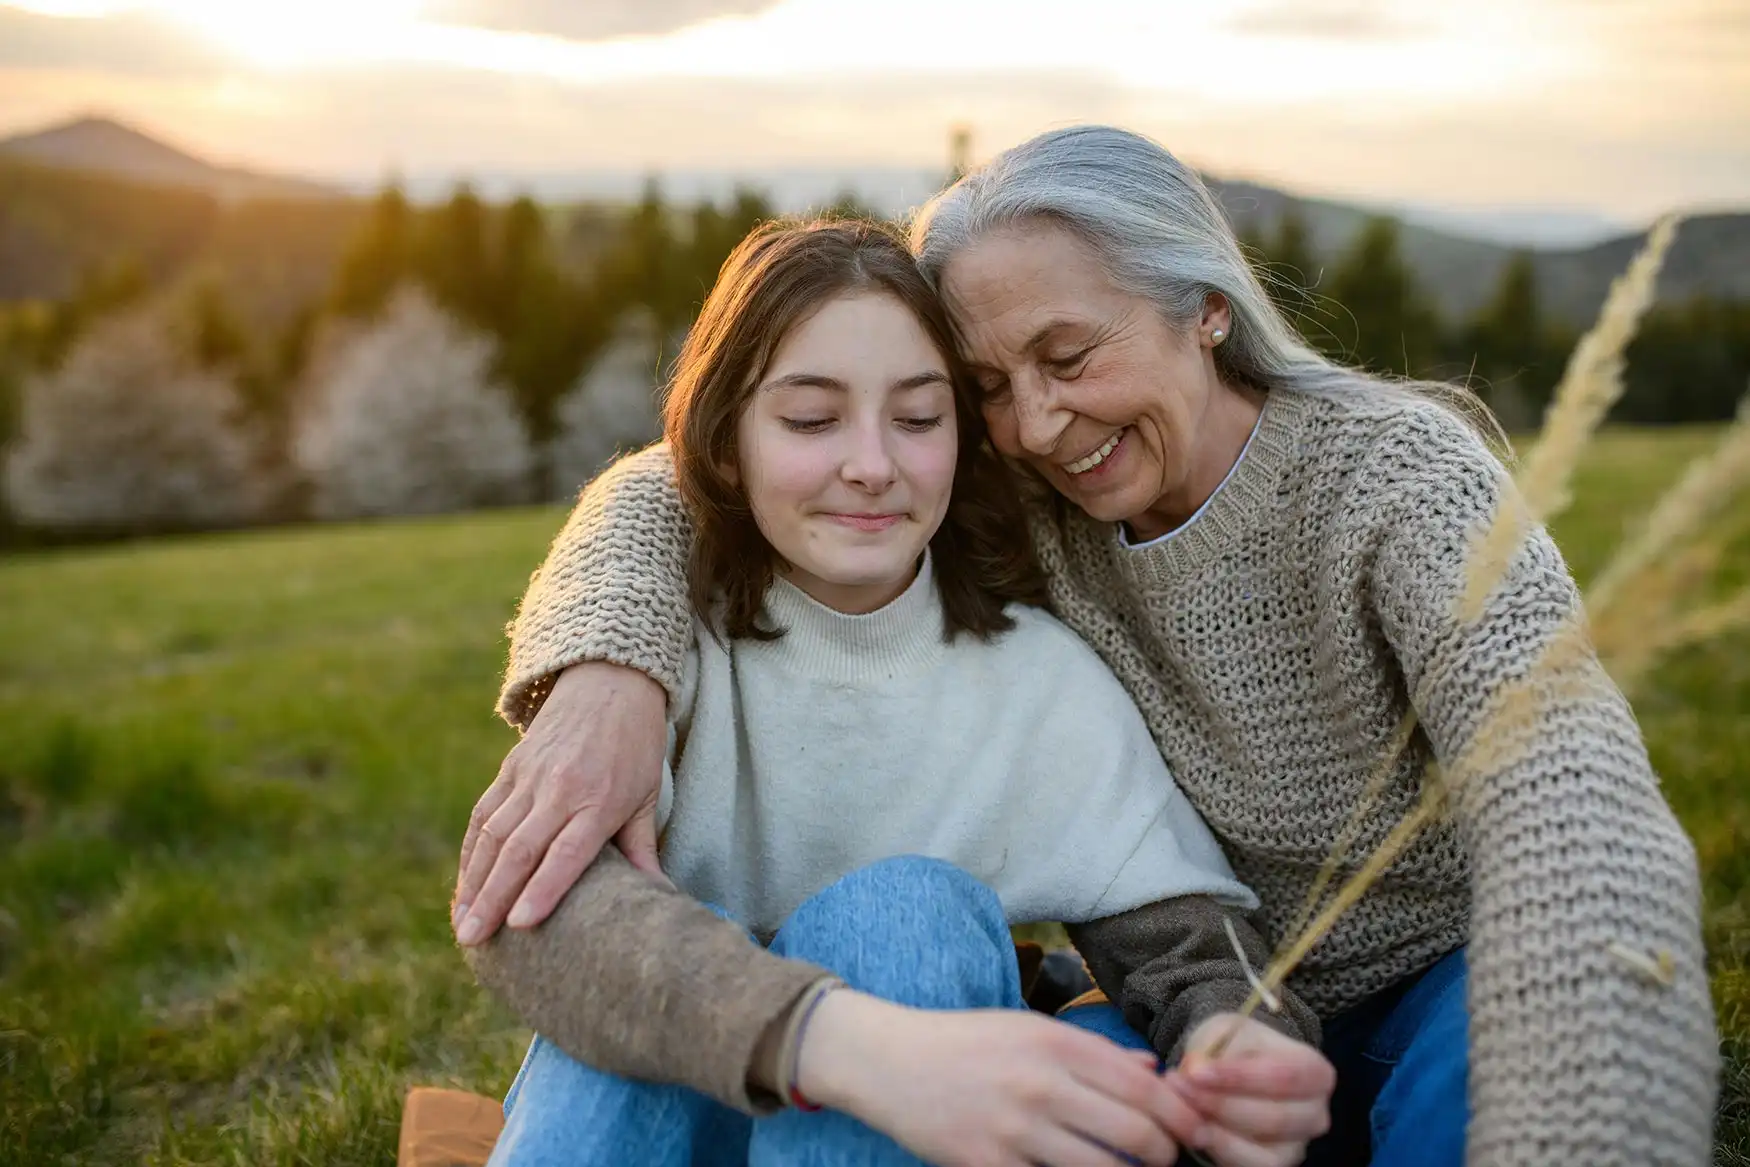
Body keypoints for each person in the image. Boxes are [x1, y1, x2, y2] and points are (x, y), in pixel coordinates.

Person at [455, 128, 1719, 1166]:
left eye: (1067, 357)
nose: (1041, 426)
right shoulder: (1016, 492)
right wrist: (606, 668)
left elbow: (1576, 813)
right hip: (1154, 1009)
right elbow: (710, 471)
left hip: (1428, 973)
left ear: (1207, 309)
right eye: (992, 386)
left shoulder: (1394, 483)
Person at [465, 218, 1334, 1167]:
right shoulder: (646, 648)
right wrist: (844, 1045)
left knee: (903, 913)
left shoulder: (1036, 683)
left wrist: (1233, 1042)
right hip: (676, 1114)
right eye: (810, 419)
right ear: (724, 446)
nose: (872, 465)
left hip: (903, 1126)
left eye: (918, 419)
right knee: (646, 984)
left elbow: (1192, 950)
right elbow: (529, 915)